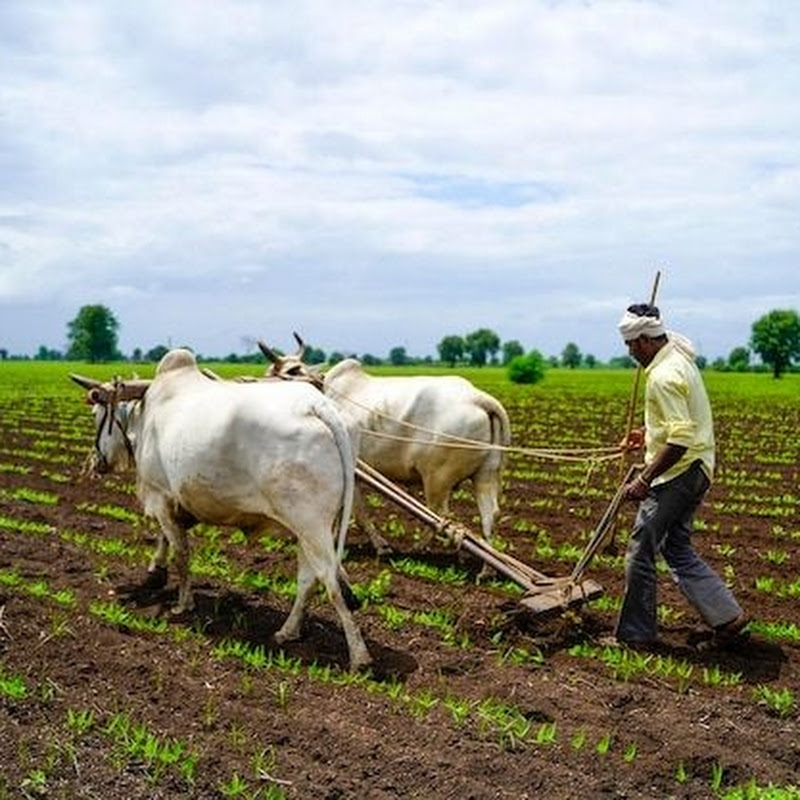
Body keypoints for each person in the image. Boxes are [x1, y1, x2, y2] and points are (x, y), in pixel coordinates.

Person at [613, 302, 748, 648]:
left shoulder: (663, 375)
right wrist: (647, 434)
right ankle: (727, 617)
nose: (629, 352)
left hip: (679, 472)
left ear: (644, 340)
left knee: (641, 550)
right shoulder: (676, 354)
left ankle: (635, 636)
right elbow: (674, 424)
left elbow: (680, 439)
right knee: (675, 546)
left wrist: (644, 479)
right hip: (699, 466)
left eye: (631, 345)